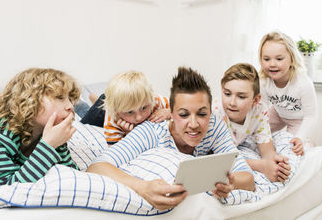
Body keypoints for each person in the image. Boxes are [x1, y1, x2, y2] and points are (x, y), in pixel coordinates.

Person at [87, 67, 255, 210]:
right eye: (183, 114)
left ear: (211, 112)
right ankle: (94, 100)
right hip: (109, 117)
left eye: (202, 114)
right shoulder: (150, 132)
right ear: (171, 114)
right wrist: (143, 187)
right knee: (100, 105)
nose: (194, 124)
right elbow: (97, 167)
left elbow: (248, 178)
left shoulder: (215, 126)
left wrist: (231, 183)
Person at [0, 68, 80, 186]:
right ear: (29, 101)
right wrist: (48, 145)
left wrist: (52, 144)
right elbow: (4, 186)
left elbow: (69, 173)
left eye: (70, 99)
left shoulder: (52, 133)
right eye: (59, 97)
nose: (70, 106)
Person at [214, 63, 291, 182]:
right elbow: (216, 159)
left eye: (241, 97)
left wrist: (277, 165)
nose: (232, 102)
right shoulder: (215, 112)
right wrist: (261, 166)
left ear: (255, 100)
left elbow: (267, 151)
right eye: (227, 94)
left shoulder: (260, 111)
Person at [258, 31, 318, 156]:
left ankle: (308, 144)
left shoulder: (303, 83)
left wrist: (300, 138)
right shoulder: (263, 81)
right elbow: (262, 109)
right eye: (266, 59)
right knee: (256, 136)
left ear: (292, 59)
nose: (272, 64)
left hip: (298, 119)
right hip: (277, 113)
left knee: (291, 148)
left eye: (279, 59)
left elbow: (311, 116)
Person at [100, 70, 171, 145]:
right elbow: (115, 151)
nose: (139, 117)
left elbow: (182, 107)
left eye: (144, 108)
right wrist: (130, 135)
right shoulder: (112, 120)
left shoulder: (155, 100)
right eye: (130, 112)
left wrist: (170, 111)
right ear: (117, 111)